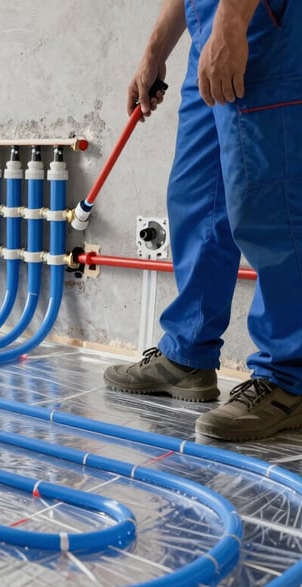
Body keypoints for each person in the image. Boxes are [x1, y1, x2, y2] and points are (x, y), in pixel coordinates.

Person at [102, 0, 302, 441]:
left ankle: (290, 377)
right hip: (208, 27)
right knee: (197, 196)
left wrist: (232, 23)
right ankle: (188, 354)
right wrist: (155, 53)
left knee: (270, 201)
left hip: (260, 21)